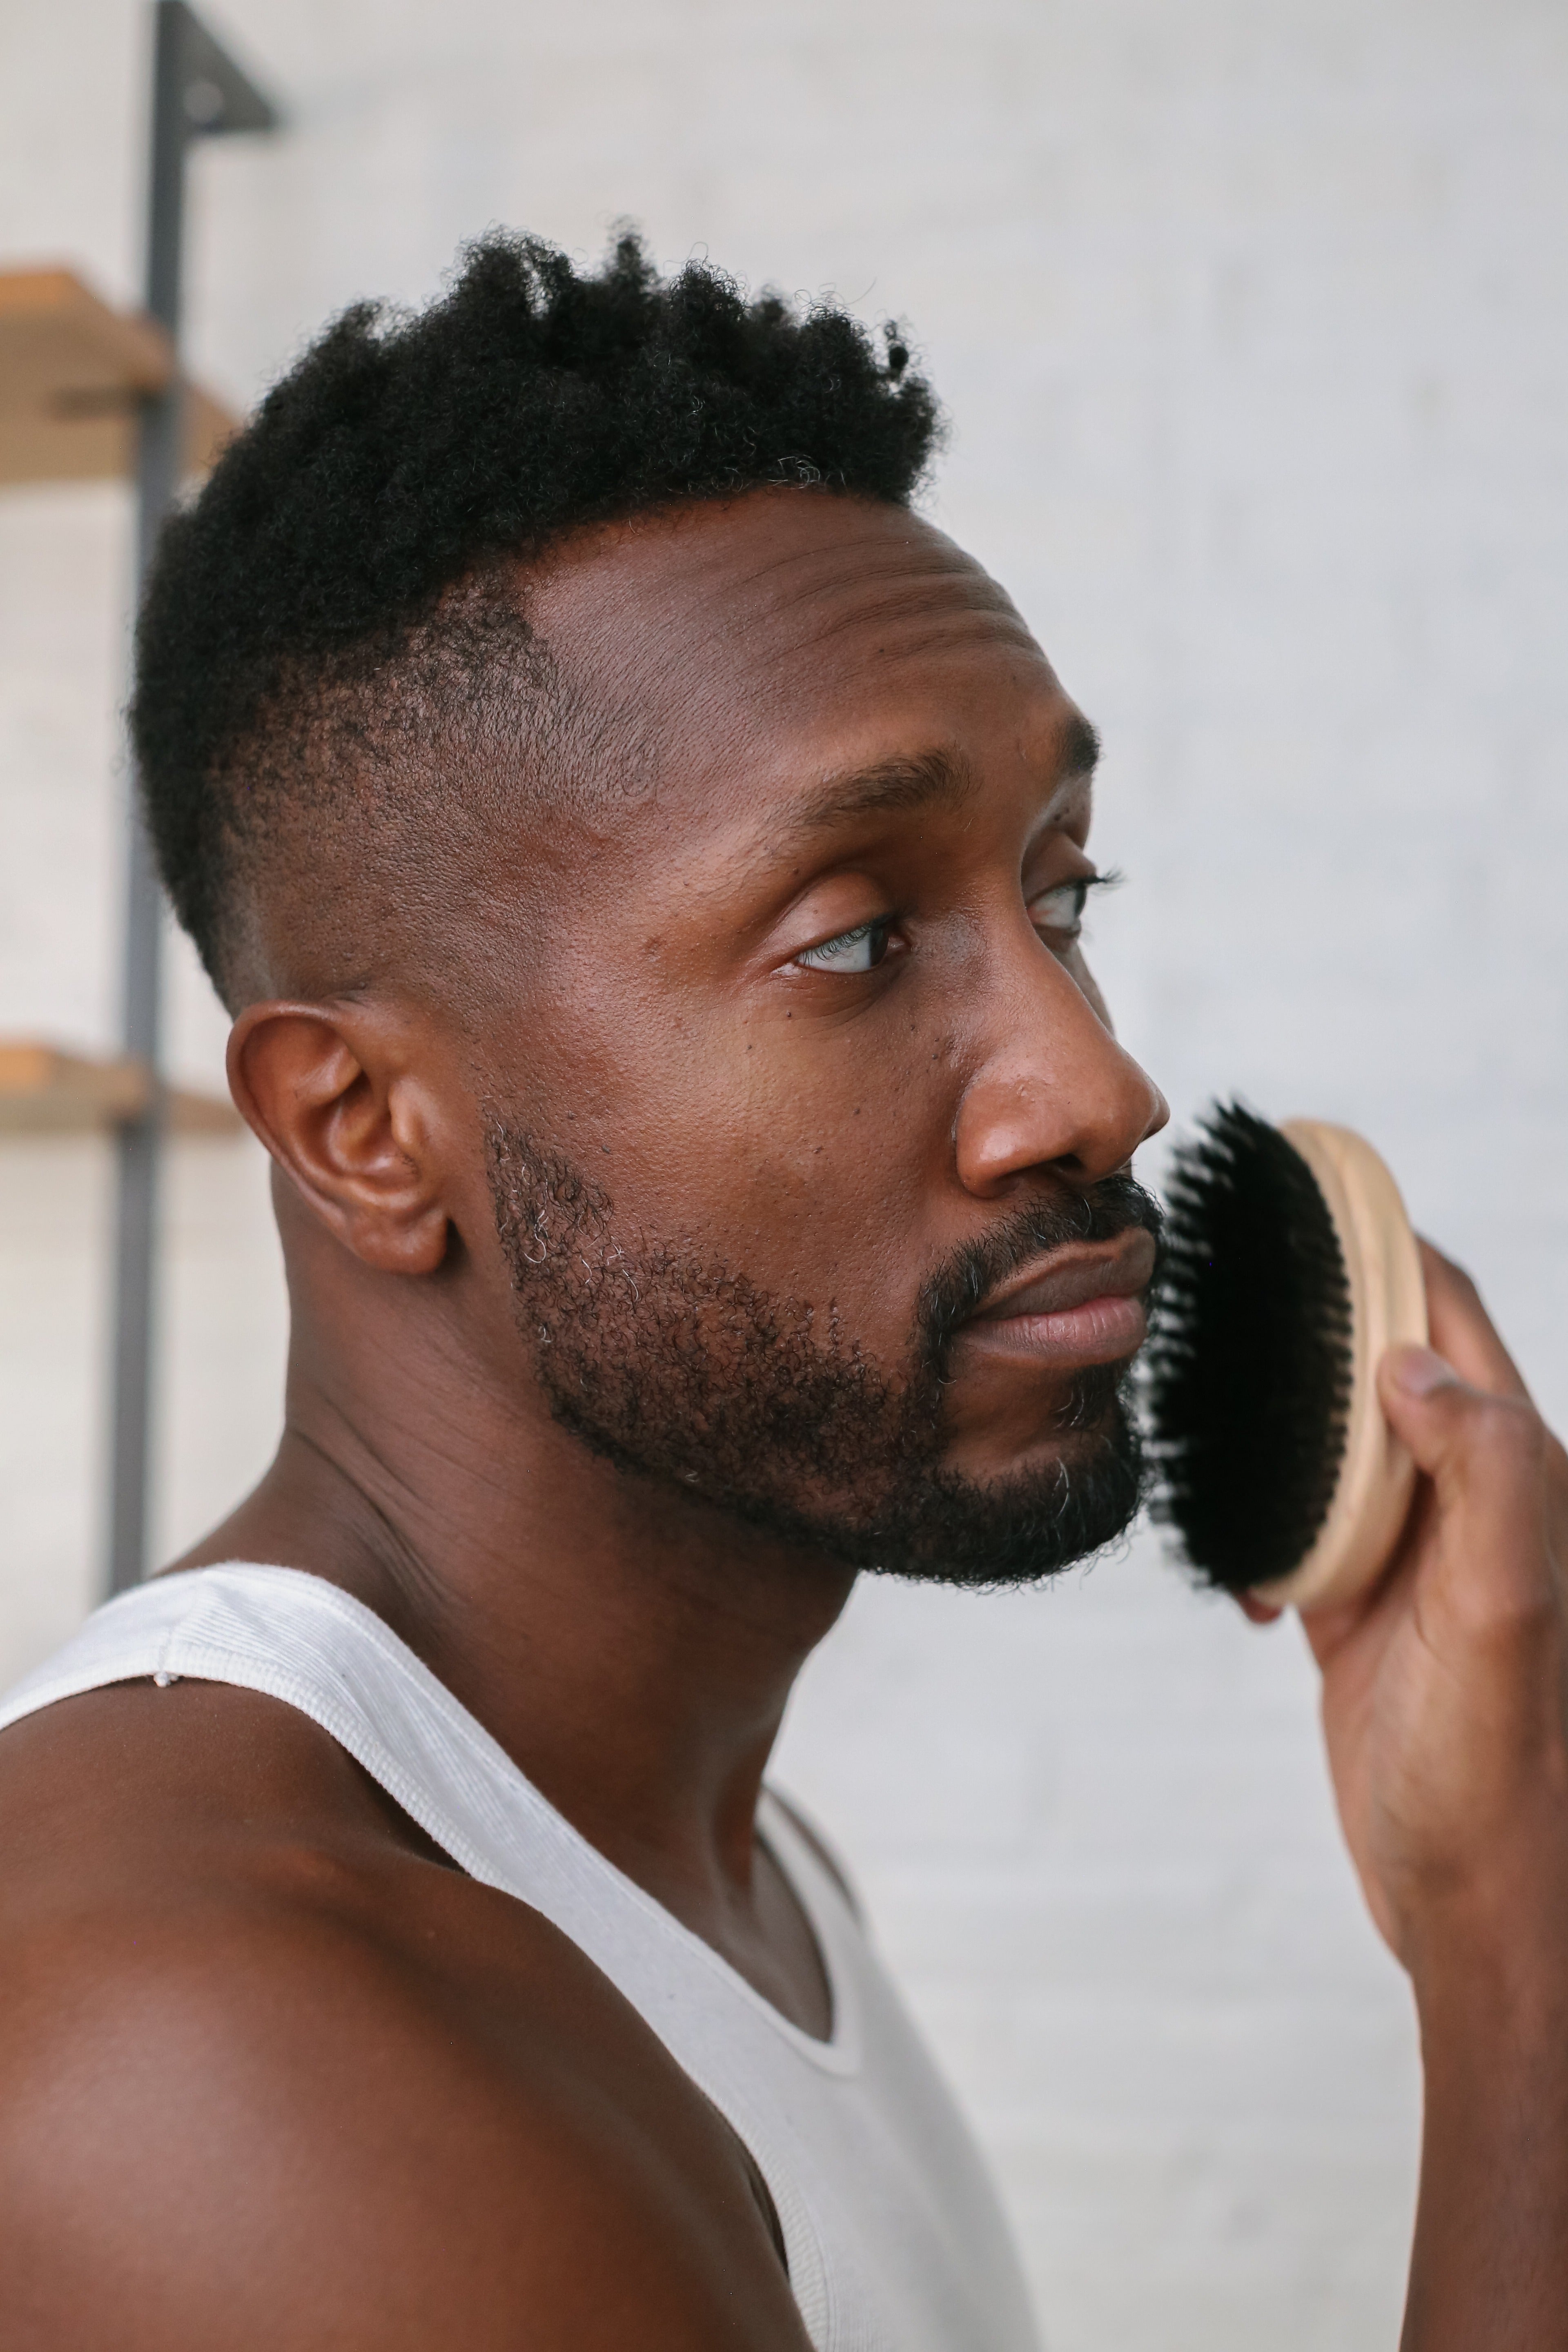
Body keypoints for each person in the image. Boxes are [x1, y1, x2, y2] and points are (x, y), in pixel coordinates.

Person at [0, 232, 1564, 2351]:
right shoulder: (248, 2051)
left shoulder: (717, 1864)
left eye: (1059, 890)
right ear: (366, 1128)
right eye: (850, 940)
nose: (1095, 1086)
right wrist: (1518, 1948)